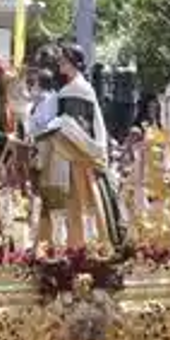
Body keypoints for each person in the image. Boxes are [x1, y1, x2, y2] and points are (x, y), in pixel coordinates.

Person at [29, 43, 123, 249]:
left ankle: (77, 249)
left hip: (74, 158)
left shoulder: (78, 89)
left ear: (73, 63)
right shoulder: (70, 88)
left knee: (76, 205)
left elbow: (79, 128)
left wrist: (58, 126)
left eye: (64, 59)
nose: (60, 62)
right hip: (65, 154)